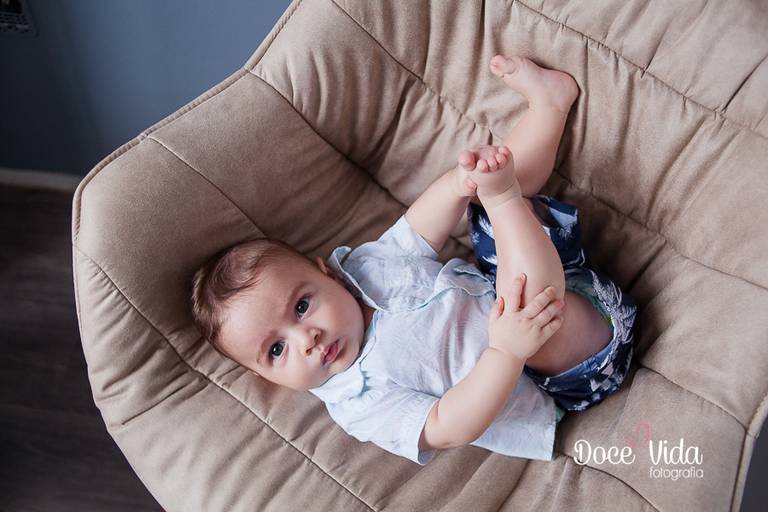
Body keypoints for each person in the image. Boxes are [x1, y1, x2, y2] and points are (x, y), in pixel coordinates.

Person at [190, 55, 637, 465]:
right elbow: (447, 427)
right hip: (573, 364)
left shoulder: (364, 270)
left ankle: (549, 107)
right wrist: (506, 350)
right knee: (528, 311)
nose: (307, 338)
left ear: (324, 271)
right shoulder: (360, 404)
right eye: (276, 350)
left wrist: (459, 183)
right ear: (266, 377)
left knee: (484, 198)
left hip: (534, 269)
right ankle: (505, 198)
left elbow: (419, 226)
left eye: (302, 305)